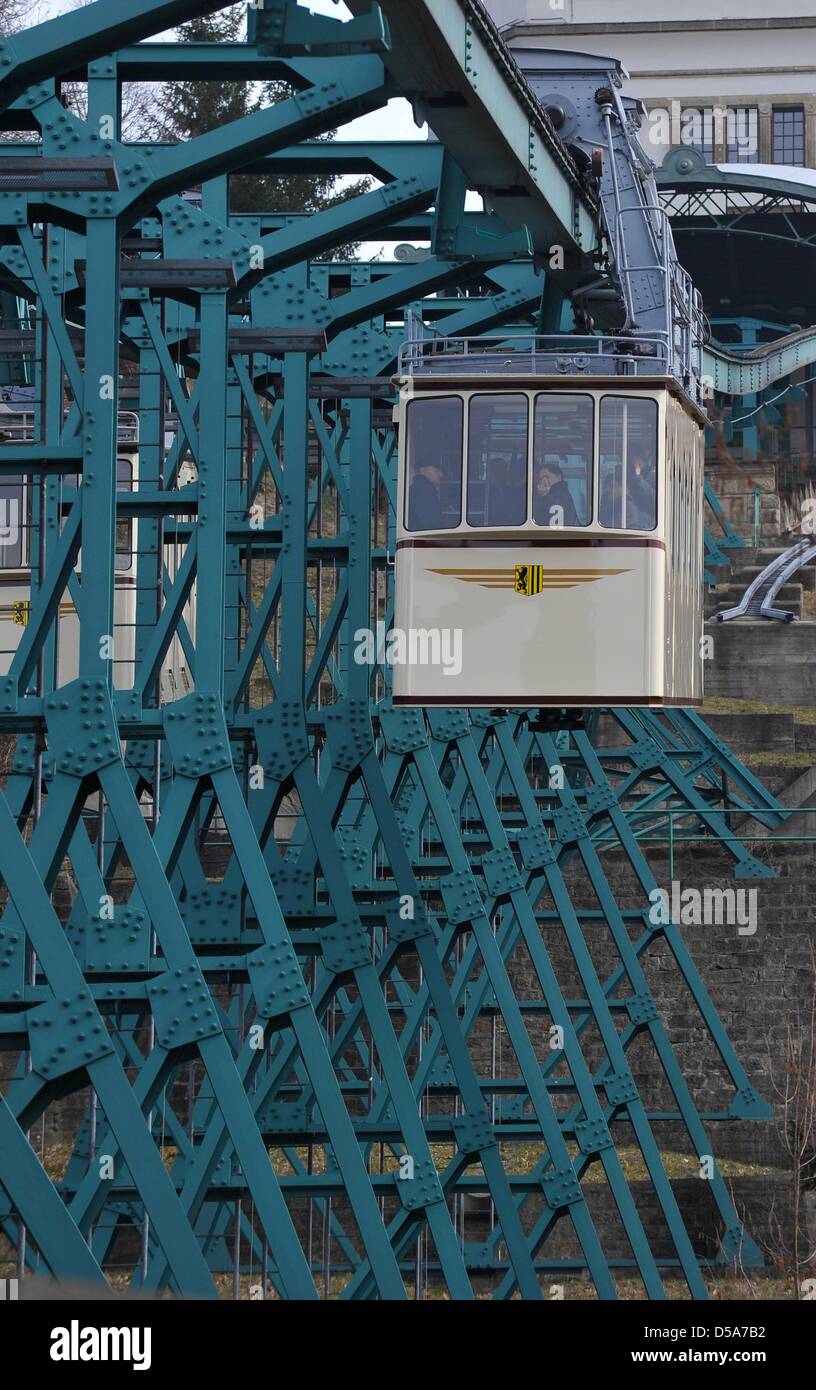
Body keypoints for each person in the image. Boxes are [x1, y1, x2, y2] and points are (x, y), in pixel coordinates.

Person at [533, 461, 579, 527]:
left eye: (546, 477)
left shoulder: (558, 495)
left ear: (558, 476)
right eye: (541, 479)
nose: (544, 481)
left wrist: (542, 495)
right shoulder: (562, 493)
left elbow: (541, 519)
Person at [408, 461, 444, 530]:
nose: (441, 475)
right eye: (437, 471)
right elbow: (428, 523)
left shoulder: (415, 488)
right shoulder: (425, 490)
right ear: (422, 470)